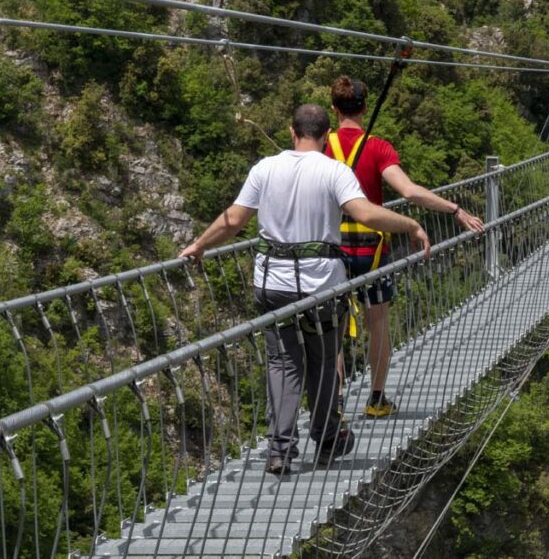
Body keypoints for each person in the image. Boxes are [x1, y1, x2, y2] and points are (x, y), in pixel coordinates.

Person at [179, 104, 430, 475]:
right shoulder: (335, 171)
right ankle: (327, 438)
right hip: (321, 286)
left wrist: (199, 245)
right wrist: (409, 224)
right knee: (324, 359)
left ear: (291, 131)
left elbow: (233, 219)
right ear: (326, 136)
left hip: (272, 283)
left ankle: (280, 449)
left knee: (283, 363)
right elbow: (366, 214)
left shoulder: (265, 168)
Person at [326, 76, 485, 418]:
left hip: (333, 249)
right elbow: (409, 192)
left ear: (334, 110)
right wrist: (455, 210)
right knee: (378, 323)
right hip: (372, 251)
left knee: (333, 329)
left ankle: (335, 405)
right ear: (365, 108)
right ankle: (377, 400)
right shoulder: (378, 147)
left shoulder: (322, 146)